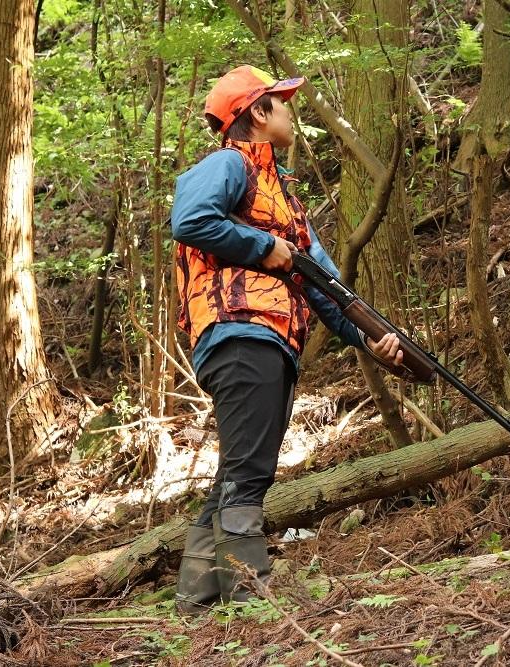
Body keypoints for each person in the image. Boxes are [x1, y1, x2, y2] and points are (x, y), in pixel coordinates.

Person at [169, 65, 403, 614]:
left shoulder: (284, 196)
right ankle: (253, 601)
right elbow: (190, 220)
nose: (291, 111)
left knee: (236, 471)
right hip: (241, 330)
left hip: (268, 339)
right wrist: (261, 248)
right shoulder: (228, 164)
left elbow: (328, 291)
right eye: (282, 102)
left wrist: (370, 339)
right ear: (258, 113)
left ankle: (196, 604)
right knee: (251, 473)